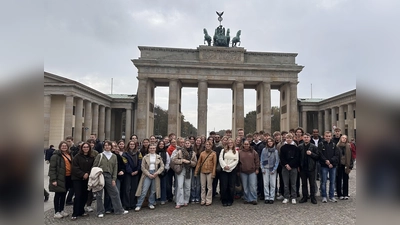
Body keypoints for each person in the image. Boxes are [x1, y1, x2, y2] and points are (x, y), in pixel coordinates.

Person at [93, 141, 128, 218]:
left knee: (115, 192)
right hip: (100, 175)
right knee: (99, 195)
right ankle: (100, 211)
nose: (107, 147)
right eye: (105, 145)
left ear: (111, 147)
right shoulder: (100, 155)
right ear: (103, 147)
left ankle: (119, 209)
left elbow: (115, 168)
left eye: (109, 145)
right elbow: (94, 166)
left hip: (109, 176)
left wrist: (114, 179)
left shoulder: (114, 156)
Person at [134, 144, 165, 211]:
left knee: (153, 190)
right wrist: (148, 174)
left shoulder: (158, 157)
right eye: (151, 148)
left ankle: (151, 203)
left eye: (153, 148)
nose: (152, 149)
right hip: (147, 174)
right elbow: (142, 167)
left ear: (155, 149)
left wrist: (157, 173)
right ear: (148, 149)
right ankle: (139, 204)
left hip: (155, 173)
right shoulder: (145, 157)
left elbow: (162, 166)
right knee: (144, 190)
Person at [48, 141, 73, 219]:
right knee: (58, 195)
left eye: (65, 146)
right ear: (59, 147)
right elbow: (52, 169)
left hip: (68, 177)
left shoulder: (69, 154)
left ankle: (61, 210)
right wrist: (53, 179)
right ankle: (56, 211)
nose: (64, 147)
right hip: (59, 177)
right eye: (62, 146)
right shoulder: (55, 156)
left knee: (64, 194)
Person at [71, 142, 95, 220]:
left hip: (87, 178)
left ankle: (81, 210)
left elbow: (93, 167)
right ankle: (75, 213)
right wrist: (82, 174)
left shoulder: (91, 157)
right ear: (81, 148)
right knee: (78, 195)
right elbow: (74, 167)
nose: (86, 148)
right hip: (77, 178)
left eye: (87, 147)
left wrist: (87, 173)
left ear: (89, 148)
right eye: (84, 147)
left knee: (85, 195)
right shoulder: (77, 157)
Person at [172, 140, 197, 209]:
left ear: (190, 144)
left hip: (189, 170)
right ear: (184, 144)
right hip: (181, 169)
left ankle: (186, 200)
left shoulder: (193, 153)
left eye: (188, 143)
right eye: (186, 143)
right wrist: (182, 161)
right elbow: (174, 160)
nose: (187, 144)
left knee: (187, 186)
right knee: (180, 186)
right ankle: (179, 202)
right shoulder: (180, 151)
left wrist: (189, 162)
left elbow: (195, 163)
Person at [318, 131, 340, 203]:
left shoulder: (334, 144)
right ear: (324, 136)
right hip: (324, 165)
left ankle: (332, 196)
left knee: (332, 182)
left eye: (329, 136)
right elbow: (320, 154)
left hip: (332, 165)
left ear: (331, 136)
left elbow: (336, 155)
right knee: (323, 181)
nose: (328, 137)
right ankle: (324, 196)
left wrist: (330, 161)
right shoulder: (321, 144)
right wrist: (326, 161)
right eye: (326, 136)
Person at [298, 133, 319, 204]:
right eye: (305, 137)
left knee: (312, 183)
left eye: (307, 137)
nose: (306, 138)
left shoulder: (314, 147)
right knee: (304, 184)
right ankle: (304, 197)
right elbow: (298, 158)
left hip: (311, 168)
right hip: (302, 168)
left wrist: (311, 154)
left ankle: (313, 197)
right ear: (303, 138)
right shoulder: (300, 147)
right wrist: (298, 166)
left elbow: (317, 157)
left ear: (310, 138)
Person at [194, 141, 217, 206]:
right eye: (206, 144)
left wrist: (213, 173)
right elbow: (199, 163)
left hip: (210, 171)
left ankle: (208, 200)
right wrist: (196, 171)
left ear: (211, 146)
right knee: (203, 186)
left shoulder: (213, 153)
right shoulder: (202, 153)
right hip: (202, 171)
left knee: (209, 187)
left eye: (209, 145)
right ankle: (203, 199)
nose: (207, 146)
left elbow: (215, 164)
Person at [279, 133, 300, 204]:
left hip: (293, 167)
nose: (289, 139)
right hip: (285, 167)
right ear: (286, 139)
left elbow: (297, 158)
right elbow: (282, 157)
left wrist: (290, 165)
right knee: (285, 183)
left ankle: (294, 197)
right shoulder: (283, 147)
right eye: (287, 138)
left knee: (293, 183)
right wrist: (286, 164)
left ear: (292, 139)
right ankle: (286, 197)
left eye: (290, 138)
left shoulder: (295, 148)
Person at [122, 140, 142, 210]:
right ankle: (127, 204)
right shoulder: (125, 154)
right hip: (128, 174)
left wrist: (137, 170)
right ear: (128, 145)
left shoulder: (138, 153)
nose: (132, 145)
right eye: (130, 144)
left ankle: (133, 203)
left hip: (136, 173)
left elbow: (140, 162)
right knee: (127, 189)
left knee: (134, 188)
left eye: (133, 144)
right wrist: (130, 171)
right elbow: (126, 164)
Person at [219, 138, 239, 206]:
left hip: (232, 170)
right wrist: (224, 166)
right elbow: (220, 159)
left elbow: (236, 161)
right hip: (224, 170)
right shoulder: (223, 150)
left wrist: (229, 167)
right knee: (224, 185)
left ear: (233, 143)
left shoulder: (236, 151)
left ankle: (230, 199)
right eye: (229, 143)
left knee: (231, 186)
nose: (230, 144)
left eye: (231, 142)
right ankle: (224, 199)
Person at [239, 140, 260, 205]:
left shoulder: (254, 152)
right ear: (243, 145)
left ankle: (253, 199)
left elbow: (257, 161)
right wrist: (238, 170)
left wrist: (257, 169)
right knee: (245, 186)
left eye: (247, 144)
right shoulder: (240, 152)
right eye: (245, 144)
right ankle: (246, 198)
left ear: (249, 145)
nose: (246, 145)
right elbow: (238, 162)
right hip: (243, 171)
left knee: (253, 186)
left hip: (252, 171)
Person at [260, 138, 280, 204]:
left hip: (272, 168)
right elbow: (262, 159)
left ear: (273, 142)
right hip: (265, 168)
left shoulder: (275, 151)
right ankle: (266, 197)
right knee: (265, 183)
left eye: (271, 141)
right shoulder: (264, 150)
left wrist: (274, 169)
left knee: (272, 184)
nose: (269, 143)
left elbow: (277, 161)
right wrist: (262, 168)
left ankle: (272, 197)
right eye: (268, 142)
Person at [336, 135, 353, 200]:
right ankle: (339, 194)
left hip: (346, 164)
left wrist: (350, 166)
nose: (344, 139)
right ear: (340, 138)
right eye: (343, 138)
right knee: (338, 179)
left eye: (345, 138)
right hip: (339, 165)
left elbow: (351, 157)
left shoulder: (348, 146)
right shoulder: (337, 146)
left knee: (346, 179)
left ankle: (345, 193)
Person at [156, 140, 170, 204]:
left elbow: (168, 161)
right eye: (160, 144)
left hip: (164, 171)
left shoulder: (166, 153)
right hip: (156, 171)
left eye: (162, 144)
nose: (161, 145)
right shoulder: (155, 152)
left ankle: (163, 198)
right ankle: (156, 198)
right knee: (156, 185)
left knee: (163, 185)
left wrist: (165, 169)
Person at [191, 137, 203, 203]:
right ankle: (193, 196)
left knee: (198, 183)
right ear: (195, 141)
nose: (198, 142)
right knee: (192, 183)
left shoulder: (203, 148)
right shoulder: (192, 148)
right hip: (193, 167)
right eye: (197, 141)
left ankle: (197, 197)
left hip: (200, 168)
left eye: (199, 141)